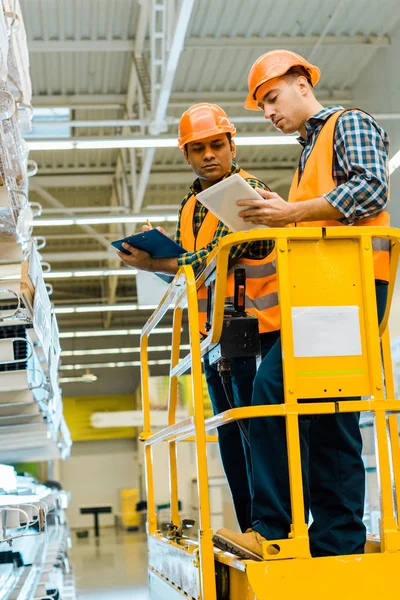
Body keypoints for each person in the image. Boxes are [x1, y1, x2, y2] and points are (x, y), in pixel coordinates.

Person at [213, 50, 390, 560]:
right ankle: (335, 541)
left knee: (274, 394)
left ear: (301, 82)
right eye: (262, 106)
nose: (269, 111)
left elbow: (372, 189)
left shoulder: (347, 122)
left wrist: (291, 213)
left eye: (272, 98)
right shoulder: (307, 152)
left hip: (350, 289)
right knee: (328, 415)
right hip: (324, 292)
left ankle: (273, 528)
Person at [117, 103, 277, 532]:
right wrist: (160, 257)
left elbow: (211, 258)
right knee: (229, 436)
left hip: (255, 331)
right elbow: (193, 263)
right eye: (198, 148)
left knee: (252, 432)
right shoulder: (191, 204)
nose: (209, 154)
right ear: (186, 155)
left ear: (231, 145)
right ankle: (250, 527)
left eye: (217, 145)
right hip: (213, 336)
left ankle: (270, 526)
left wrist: (155, 264)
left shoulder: (247, 190)